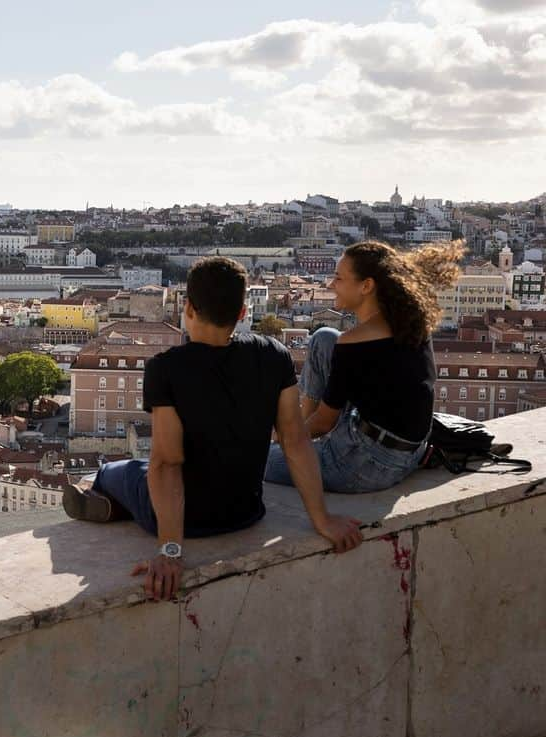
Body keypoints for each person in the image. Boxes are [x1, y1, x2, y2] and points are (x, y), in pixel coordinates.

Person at [62, 257, 363, 602]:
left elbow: (168, 462)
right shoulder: (275, 355)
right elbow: (294, 441)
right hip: (245, 512)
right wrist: (322, 519)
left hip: (188, 521)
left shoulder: (166, 369)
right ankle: (118, 505)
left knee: (116, 471)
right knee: (149, 470)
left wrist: (171, 551)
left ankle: (109, 500)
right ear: (241, 312)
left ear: (188, 307)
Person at [265, 240, 462, 493]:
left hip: (367, 462)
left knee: (257, 459)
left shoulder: (355, 343)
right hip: (412, 447)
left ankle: (298, 441)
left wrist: (281, 438)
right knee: (324, 338)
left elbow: (325, 423)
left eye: (339, 278)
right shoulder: (412, 323)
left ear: (366, 286)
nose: (331, 284)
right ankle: (302, 434)